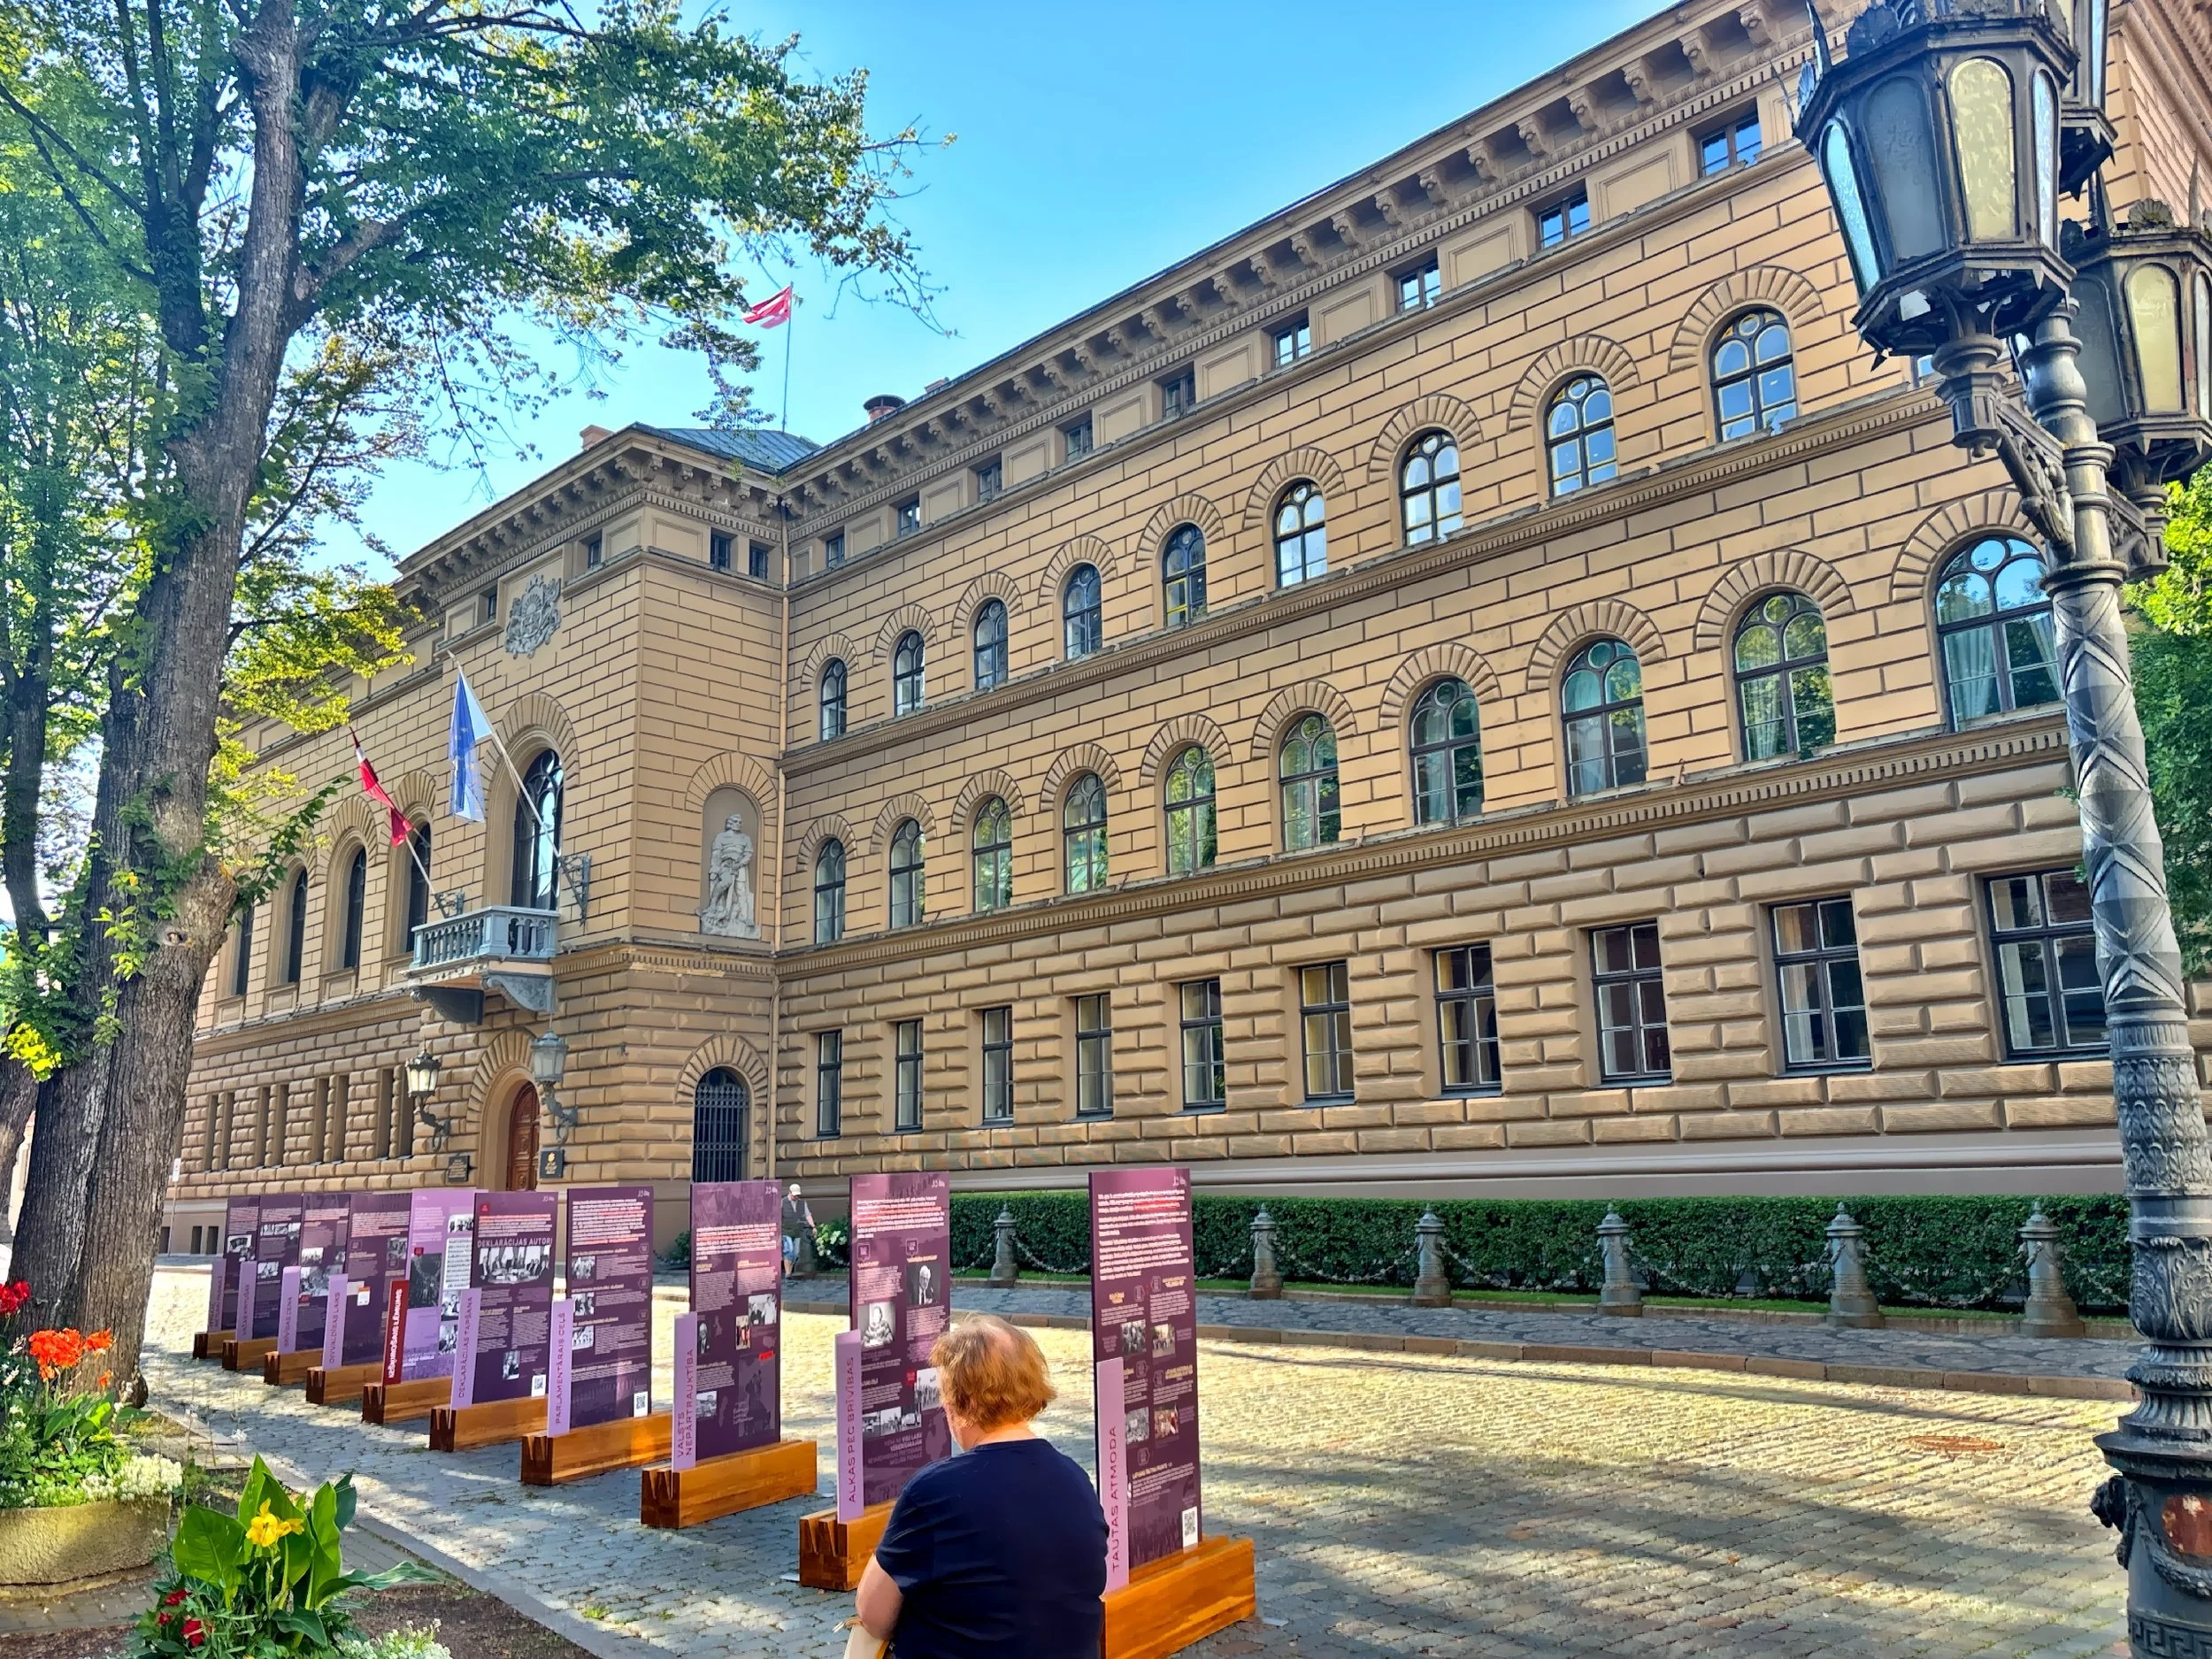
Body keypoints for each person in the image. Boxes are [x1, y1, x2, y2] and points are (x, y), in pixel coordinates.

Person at [856, 1315, 1107, 1658]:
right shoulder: (1076, 1478)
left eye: (945, 1396)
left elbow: (873, 1615)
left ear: (965, 1402)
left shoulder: (935, 1491)